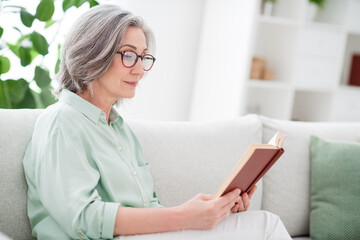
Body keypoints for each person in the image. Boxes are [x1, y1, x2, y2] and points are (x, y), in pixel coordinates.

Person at [22, 4, 291, 240]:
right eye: (129, 55)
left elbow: (149, 209)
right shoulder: (61, 122)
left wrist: (212, 213)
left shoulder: (122, 132)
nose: (139, 69)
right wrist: (185, 217)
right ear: (93, 55)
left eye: (143, 57)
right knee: (266, 225)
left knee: (246, 224)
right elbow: (82, 218)